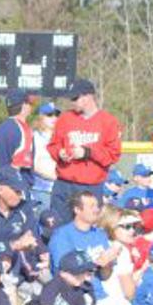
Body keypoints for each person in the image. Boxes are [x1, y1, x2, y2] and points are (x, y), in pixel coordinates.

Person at [46, 78, 122, 225]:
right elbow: (52, 146)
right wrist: (60, 153)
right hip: (64, 184)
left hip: (90, 187)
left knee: (87, 230)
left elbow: (112, 156)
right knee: (57, 228)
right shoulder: (65, 118)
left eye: (75, 98)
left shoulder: (108, 121)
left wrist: (88, 153)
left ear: (88, 96)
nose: (72, 102)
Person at [0, 89, 34, 175]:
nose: (30, 106)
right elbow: (21, 167)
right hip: (13, 184)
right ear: (24, 106)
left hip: (1, 180)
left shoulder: (0, 129)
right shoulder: (22, 130)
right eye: (29, 103)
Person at [29, 101, 60, 211]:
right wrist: (54, 176)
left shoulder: (61, 138)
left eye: (56, 114)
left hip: (59, 190)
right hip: (40, 190)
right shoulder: (33, 137)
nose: (54, 118)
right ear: (40, 117)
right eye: (49, 115)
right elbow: (33, 164)